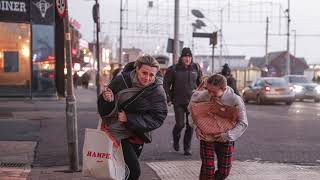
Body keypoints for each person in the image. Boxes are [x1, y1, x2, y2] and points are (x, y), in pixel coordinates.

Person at [98, 55, 168, 180]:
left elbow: (158, 117)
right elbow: (103, 111)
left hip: (137, 133)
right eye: (144, 73)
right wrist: (107, 100)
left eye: (151, 75)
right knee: (134, 171)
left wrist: (129, 118)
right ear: (137, 69)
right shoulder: (121, 81)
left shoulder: (157, 91)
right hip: (115, 131)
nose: (147, 78)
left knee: (123, 170)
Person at [189, 74, 248, 180]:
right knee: (208, 169)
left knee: (224, 171)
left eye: (214, 92)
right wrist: (196, 127)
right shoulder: (205, 94)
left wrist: (226, 136)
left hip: (226, 137)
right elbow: (192, 108)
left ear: (224, 89)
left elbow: (243, 123)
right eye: (208, 90)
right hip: (206, 135)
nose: (210, 94)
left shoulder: (235, 100)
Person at [164, 47, 202, 155]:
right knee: (180, 124)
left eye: (189, 56)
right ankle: (176, 140)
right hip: (178, 101)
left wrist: (201, 97)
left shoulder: (196, 68)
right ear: (181, 57)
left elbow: (201, 84)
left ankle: (187, 148)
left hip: (192, 102)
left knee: (190, 125)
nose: (187, 58)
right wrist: (168, 98)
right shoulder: (174, 69)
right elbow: (166, 84)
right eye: (185, 56)